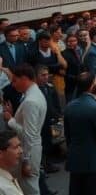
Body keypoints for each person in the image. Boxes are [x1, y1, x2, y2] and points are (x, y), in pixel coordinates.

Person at [2, 65, 45, 195]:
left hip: (27, 150)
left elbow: (29, 134)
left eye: (15, 80)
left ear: (24, 79)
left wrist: (10, 119)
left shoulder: (30, 101)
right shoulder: (34, 93)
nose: (13, 85)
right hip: (30, 148)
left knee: (29, 189)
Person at [64, 73, 96, 195]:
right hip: (93, 162)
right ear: (92, 85)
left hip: (75, 160)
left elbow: (67, 135)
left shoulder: (69, 106)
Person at [0, 130, 25, 195]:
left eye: (20, 146)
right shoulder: (2, 187)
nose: (21, 151)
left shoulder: (5, 173)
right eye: (16, 147)